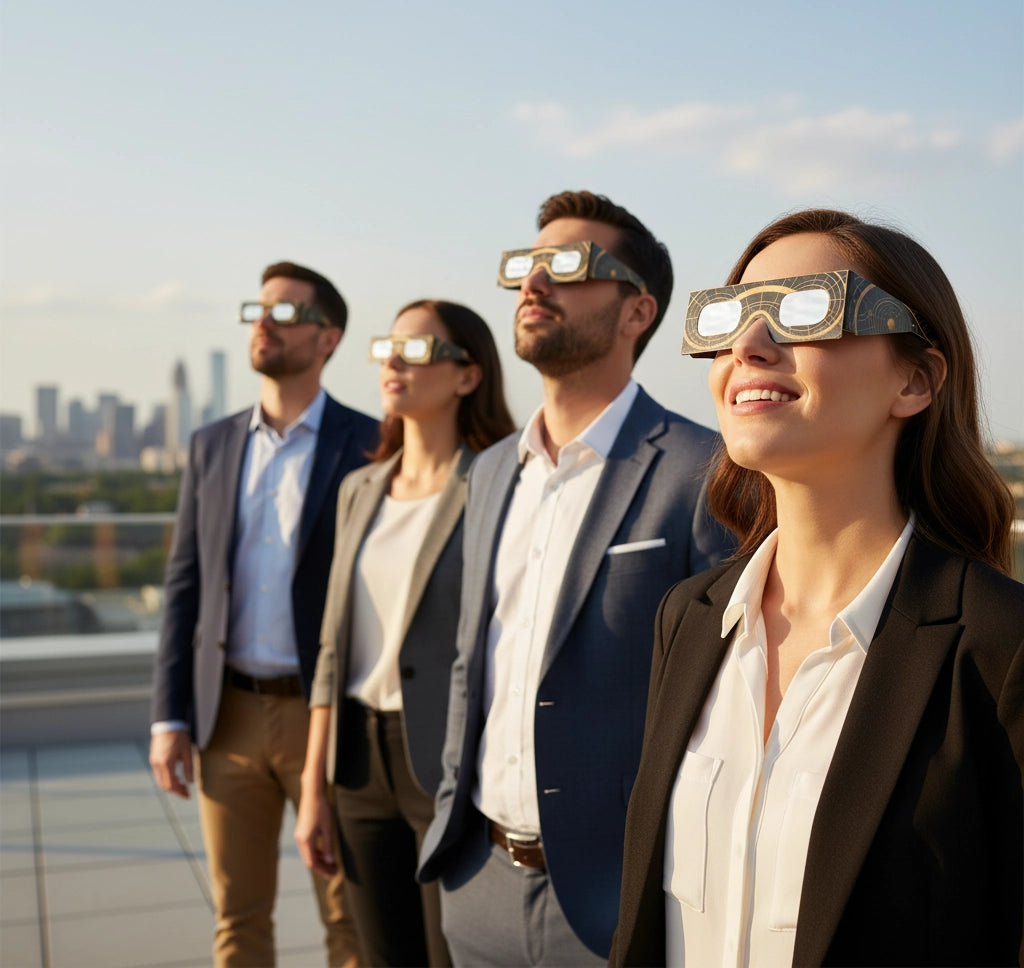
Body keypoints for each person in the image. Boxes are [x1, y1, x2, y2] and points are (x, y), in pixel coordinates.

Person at [610, 209, 1024, 968]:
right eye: (730, 316)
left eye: (808, 309)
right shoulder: (692, 617)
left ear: (916, 379)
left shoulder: (1002, 646)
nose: (749, 345)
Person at [417, 190, 734, 966]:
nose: (534, 283)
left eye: (570, 266)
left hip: (615, 897)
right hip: (476, 879)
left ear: (637, 311)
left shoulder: (704, 471)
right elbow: (472, 664)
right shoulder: (491, 470)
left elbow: (725, 704)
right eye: (528, 265)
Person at [149, 261, 379, 968]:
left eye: (285, 313)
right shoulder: (212, 444)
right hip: (228, 717)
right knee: (238, 918)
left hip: (329, 720)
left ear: (328, 338)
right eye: (259, 309)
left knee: (351, 923)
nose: (264, 323)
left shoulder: (371, 442)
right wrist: (170, 717)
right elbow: (183, 585)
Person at [294, 299, 516, 967]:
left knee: (452, 953)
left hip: (447, 762)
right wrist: (313, 786)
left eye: (417, 350)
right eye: (388, 347)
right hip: (356, 761)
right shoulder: (361, 487)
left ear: (467, 376)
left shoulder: (497, 484)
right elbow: (334, 648)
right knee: (383, 954)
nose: (392, 361)